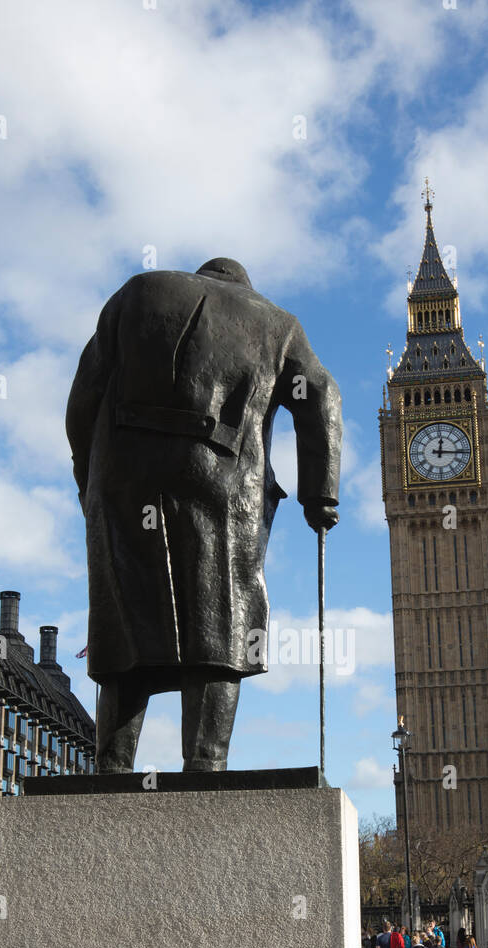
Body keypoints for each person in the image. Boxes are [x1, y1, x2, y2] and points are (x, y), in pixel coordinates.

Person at [67, 257, 341, 773]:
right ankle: (206, 763)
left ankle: (114, 765)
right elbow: (320, 394)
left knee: (125, 616)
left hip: (122, 479)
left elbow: (82, 398)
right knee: (221, 614)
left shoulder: (137, 292)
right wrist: (319, 496)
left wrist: (90, 478)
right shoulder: (277, 323)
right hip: (223, 481)